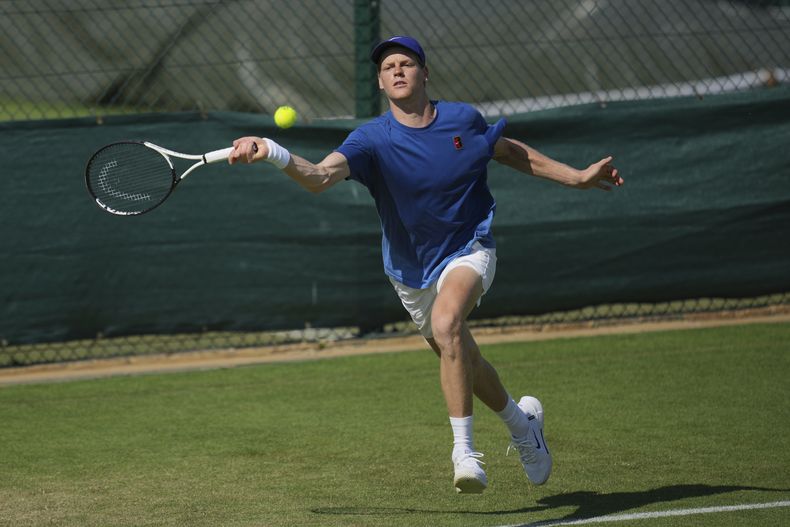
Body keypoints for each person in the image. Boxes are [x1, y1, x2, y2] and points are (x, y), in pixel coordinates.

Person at [228, 36, 623, 494]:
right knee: (464, 360)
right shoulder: (371, 139)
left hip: (469, 247)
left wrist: (576, 177)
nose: (397, 70)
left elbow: (507, 150)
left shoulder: (462, 119)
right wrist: (271, 150)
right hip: (409, 272)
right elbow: (319, 177)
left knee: (448, 321)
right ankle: (523, 424)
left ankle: (465, 453)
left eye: (407, 63)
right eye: (388, 66)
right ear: (380, 82)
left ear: (424, 73)